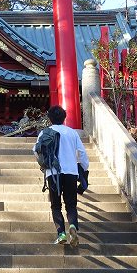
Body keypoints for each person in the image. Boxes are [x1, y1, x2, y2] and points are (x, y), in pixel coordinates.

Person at [33, 105, 89, 246]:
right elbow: (82, 153)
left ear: (50, 118)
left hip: (53, 173)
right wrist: (84, 168)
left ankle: (61, 233)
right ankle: (73, 226)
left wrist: (43, 166)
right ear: (64, 118)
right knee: (71, 204)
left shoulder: (45, 132)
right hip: (70, 172)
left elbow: (36, 151)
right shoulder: (72, 133)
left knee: (55, 205)